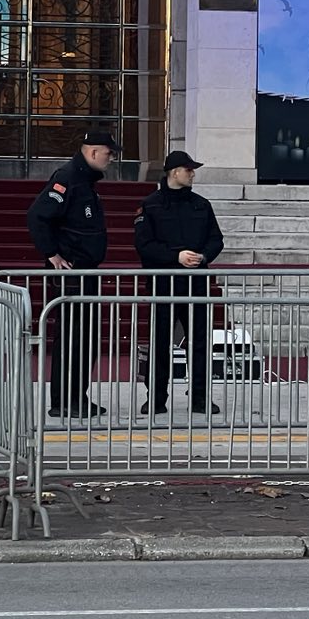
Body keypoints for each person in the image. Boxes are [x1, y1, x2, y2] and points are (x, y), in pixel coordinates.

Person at [27, 129, 118, 420]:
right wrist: (52, 254)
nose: (111, 158)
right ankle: (64, 399)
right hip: (72, 272)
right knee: (72, 337)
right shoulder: (67, 178)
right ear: (92, 152)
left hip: (86, 270)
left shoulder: (84, 181)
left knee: (85, 338)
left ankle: (76, 396)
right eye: (108, 152)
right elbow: (38, 215)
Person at [134, 150, 225, 416]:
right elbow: (144, 245)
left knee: (199, 343)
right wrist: (176, 256)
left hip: (196, 284)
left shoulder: (201, 204)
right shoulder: (150, 205)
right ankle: (156, 398)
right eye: (189, 170)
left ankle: (199, 397)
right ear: (175, 172)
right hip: (163, 284)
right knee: (160, 343)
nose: (193, 173)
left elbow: (216, 239)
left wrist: (203, 256)